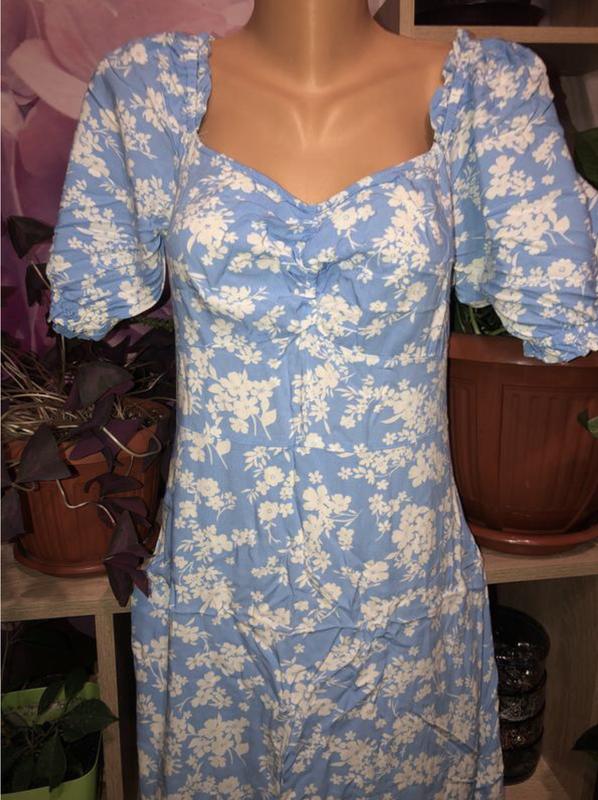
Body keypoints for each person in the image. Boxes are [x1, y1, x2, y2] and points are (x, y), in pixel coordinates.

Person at [46, 1, 598, 796]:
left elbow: (552, 295)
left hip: (397, 575)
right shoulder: (147, 94)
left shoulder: (486, 93)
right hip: (224, 570)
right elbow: (95, 286)